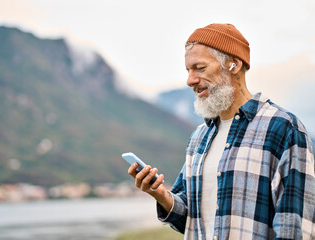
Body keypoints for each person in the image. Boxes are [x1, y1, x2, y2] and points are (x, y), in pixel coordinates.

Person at [128, 23, 315, 240]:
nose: (190, 81)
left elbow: (295, 230)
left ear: (233, 64)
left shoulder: (284, 129)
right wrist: (160, 195)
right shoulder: (199, 137)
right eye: (188, 71)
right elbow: (191, 220)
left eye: (200, 68)